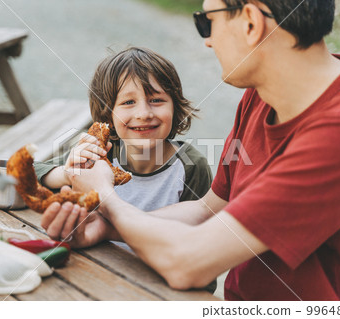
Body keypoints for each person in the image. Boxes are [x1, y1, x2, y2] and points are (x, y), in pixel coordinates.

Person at [41, 0, 340, 301]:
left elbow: (188, 264)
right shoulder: (262, 97)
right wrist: (105, 227)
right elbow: (209, 211)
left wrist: (104, 196)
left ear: (250, 22)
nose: (208, 40)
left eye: (207, 21)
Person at [35, 47, 212, 244]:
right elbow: (28, 173)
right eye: (128, 102)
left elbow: (202, 238)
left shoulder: (191, 167)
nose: (143, 113)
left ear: (175, 107)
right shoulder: (101, 153)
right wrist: (68, 173)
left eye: (156, 100)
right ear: (108, 114)